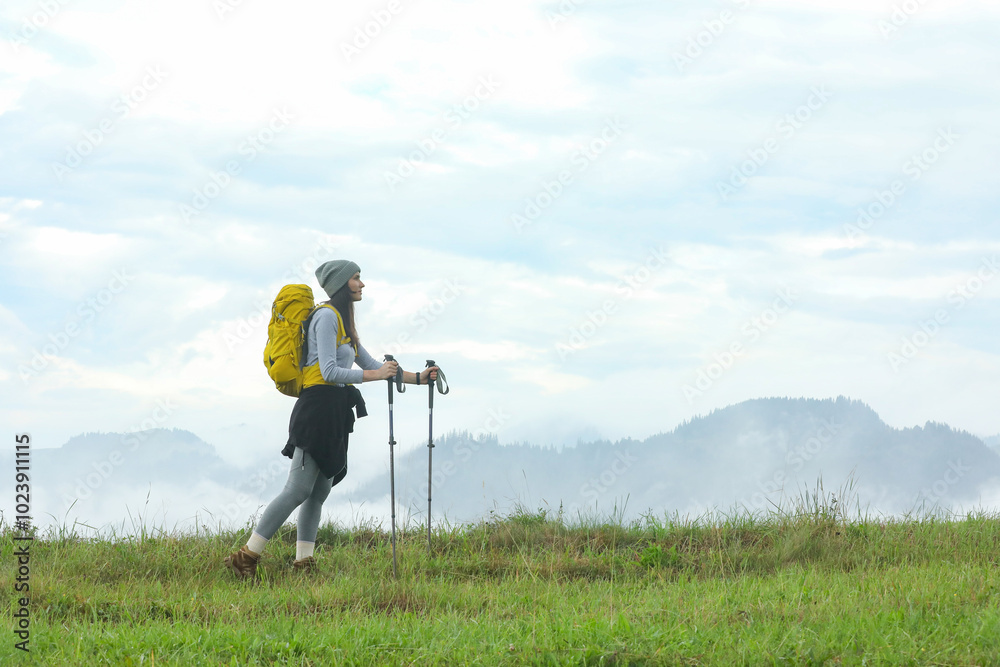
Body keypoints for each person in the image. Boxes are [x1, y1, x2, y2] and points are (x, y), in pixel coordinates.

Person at [225, 259, 439, 578]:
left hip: (336, 409)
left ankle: (304, 562)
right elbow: (328, 371)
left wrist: (418, 378)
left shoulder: (344, 322)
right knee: (297, 489)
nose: (362, 284)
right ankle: (245, 557)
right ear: (341, 284)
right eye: (356, 278)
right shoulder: (325, 317)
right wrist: (374, 374)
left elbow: (372, 364)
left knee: (319, 492)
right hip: (317, 408)